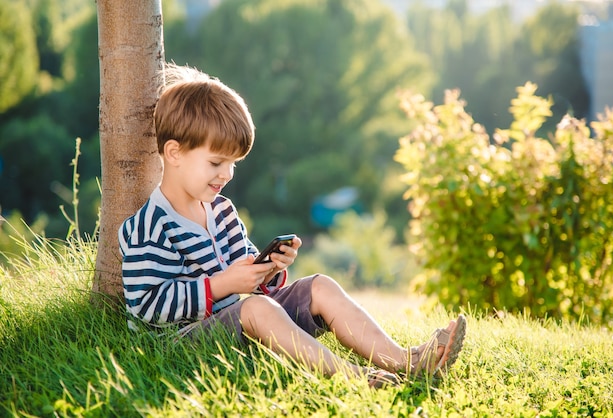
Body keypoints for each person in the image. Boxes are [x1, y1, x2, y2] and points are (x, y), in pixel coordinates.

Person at [118, 63, 466, 388]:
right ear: (175, 153)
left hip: (241, 325)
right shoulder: (152, 226)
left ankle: (405, 361)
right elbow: (146, 303)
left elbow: (250, 278)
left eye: (233, 164)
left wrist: (269, 270)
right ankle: (354, 376)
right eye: (216, 162)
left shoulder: (221, 211)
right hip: (181, 345)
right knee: (256, 309)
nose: (226, 174)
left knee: (320, 286)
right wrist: (222, 284)